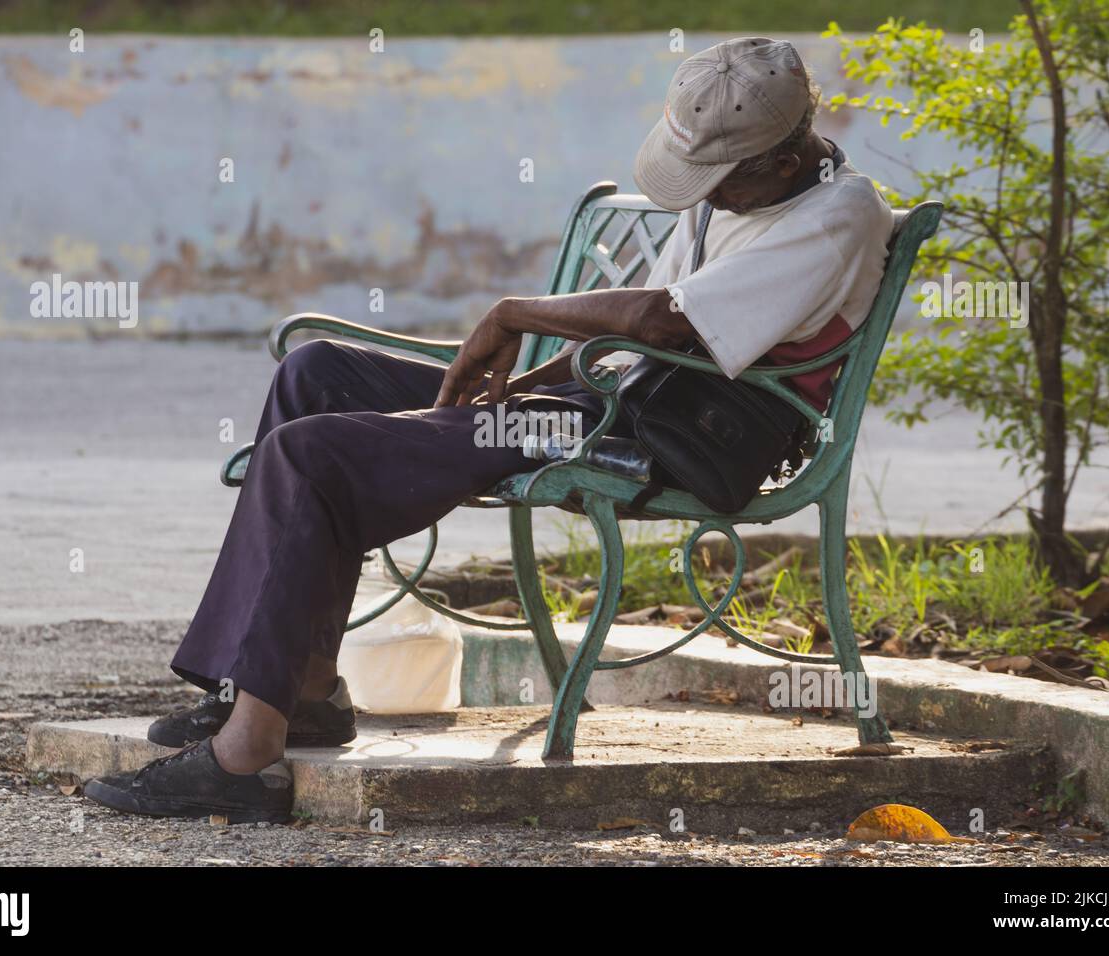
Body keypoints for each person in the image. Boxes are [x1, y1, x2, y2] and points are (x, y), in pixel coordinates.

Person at [83, 36, 894, 822]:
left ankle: (244, 757)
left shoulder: (839, 214)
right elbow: (631, 344)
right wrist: (507, 387)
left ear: (782, 161)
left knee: (309, 452)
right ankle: (303, 692)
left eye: (718, 181)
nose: (703, 194)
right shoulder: (742, 189)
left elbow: (664, 318)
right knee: (317, 373)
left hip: (658, 439)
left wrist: (511, 317)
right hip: (607, 402)